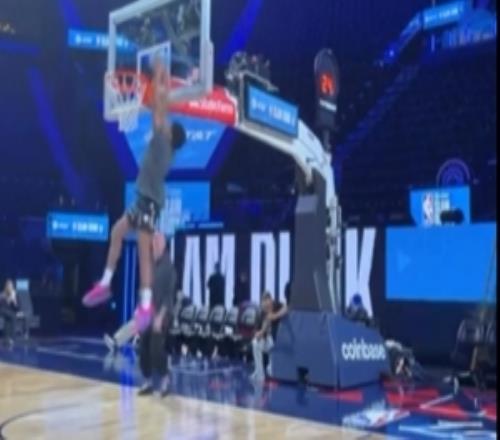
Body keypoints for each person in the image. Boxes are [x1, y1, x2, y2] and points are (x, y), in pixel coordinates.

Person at [82, 60, 186, 333]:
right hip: (143, 198)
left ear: (170, 135)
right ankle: (105, 283)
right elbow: (162, 110)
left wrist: (160, 74)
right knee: (117, 231)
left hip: (149, 202)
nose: (165, 124)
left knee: (143, 252)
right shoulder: (164, 144)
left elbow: (161, 107)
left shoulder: (162, 143)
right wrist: (160, 79)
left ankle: (146, 305)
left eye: (168, 126)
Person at [137, 232, 177, 397]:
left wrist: (160, 317)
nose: (155, 245)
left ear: (164, 245)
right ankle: (147, 381)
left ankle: (165, 378)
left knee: (155, 348)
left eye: (158, 242)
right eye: (154, 242)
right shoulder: (150, 265)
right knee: (142, 347)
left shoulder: (169, 267)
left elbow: (169, 295)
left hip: (163, 314)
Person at [250, 292, 288, 382]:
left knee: (272, 371)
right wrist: (258, 334)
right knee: (255, 343)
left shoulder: (277, 306)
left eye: (269, 305)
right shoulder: (260, 313)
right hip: (266, 339)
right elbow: (256, 330)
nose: (267, 307)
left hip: (278, 340)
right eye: (265, 306)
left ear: (271, 301)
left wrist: (275, 316)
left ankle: (271, 368)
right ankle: (259, 373)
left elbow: (287, 307)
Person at [0, 279, 25, 346]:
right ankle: (12, 338)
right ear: (5, 286)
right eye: (8, 285)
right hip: (3, 310)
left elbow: (18, 307)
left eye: (10, 285)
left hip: (10, 312)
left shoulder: (15, 294)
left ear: (12, 286)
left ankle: (7, 338)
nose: (9, 287)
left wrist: (14, 301)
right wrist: (5, 298)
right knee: (12, 316)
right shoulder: (2, 294)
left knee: (8, 320)